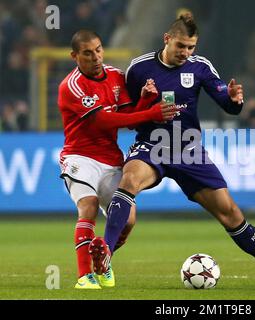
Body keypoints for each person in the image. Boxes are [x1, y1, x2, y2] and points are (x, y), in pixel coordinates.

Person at [89, 14, 255, 286]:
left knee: (231, 214)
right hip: (152, 144)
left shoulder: (200, 67)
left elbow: (226, 103)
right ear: (167, 39)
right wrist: (145, 106)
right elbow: (128, 115)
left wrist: (235, 101)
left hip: (188, 149)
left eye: (191, 47)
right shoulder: (139, 69)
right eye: (181, 46)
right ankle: (106, 253)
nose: (186, 53)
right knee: (130, 180)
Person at [58, 30, 175, 289]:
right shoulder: (72, 86)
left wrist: (144, 101)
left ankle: (104, 261)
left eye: (98, 49)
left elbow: (126, 115)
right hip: (80, 156)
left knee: (128, 219)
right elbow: (103, 120)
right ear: (74, 56)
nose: (96, 57)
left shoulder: (114, 76)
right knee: (88, 205)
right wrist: (150, 113)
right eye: (87, 53)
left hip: (111, 158)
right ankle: (84, 277)